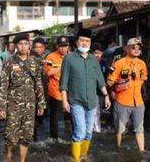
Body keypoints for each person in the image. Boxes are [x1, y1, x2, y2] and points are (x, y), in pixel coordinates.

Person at [60, 28, 111, 161]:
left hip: (92, 102)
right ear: (77, 42)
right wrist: (65, 101)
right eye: (82, 40)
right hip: (76, 101)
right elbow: (63, 82)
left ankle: (83, 156)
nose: (84, 43)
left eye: (87, 41)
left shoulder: (94, 59)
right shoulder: (69, 58)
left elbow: (100, 79)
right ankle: (75, 159)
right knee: (80, 131)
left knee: (89, 133)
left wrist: (106, 96)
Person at [0, 33, 46, 162]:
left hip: (30, 105)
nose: (23, 47)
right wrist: (2, 107)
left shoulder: (34, 63)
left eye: (26, 44)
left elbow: (39, 84)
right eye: (20, 44)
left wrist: (41, 104)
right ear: (16, 46)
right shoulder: (9, 63)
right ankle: (8, 155)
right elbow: (3, 86)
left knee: (26, 135)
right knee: (10, 134)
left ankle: (22, 160)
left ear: (29, 46)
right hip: (13, 105)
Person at [107, 38, 148, 152]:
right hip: (122, 101)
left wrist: (144, 93)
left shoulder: (142, 64)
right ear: (126, 48)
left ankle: (142, 152)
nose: (136, 50)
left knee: (140, 128)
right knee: (119, 129)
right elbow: (109, 81)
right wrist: (118, 86)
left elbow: (143, 80)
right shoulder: (119, 63)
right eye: (133, 47)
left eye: (139, 48)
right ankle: (118, 149)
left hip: (138, 102)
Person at [44, 35, 70, 141]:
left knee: (69, 115)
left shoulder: (72, 56)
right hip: (55, 90)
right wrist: (62, 66)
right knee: (54, 116)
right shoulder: (51, 57)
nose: (63, 48)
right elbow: (48, 72)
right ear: (57, 46)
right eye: (61, 46)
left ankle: (69, 135)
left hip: (69, 91)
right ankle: (54, 138)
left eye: (65, 46)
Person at [91, 42, 108, 133]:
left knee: (98, 112)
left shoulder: (104, 63)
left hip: (101, 92)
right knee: (93, 112)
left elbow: (107, 77)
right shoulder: (88, 63)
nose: (98, 55)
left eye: (100, 53)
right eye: (96, 53)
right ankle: (96, 130)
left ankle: (97, 129)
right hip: (91, 92)